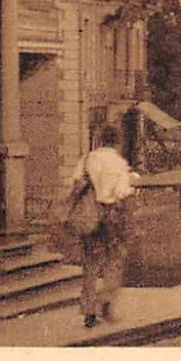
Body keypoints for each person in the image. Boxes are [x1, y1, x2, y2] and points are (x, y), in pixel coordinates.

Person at [70, 125, 135, 329]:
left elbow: (76, 183)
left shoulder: (87, 159)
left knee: (89, 265)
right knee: (113, 262)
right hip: (110, 218)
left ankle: (89, 311)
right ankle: (105, 301)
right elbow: (123, 192)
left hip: (89, 217)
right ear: (116, 141)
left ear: (99, 140)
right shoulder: (119, 163)